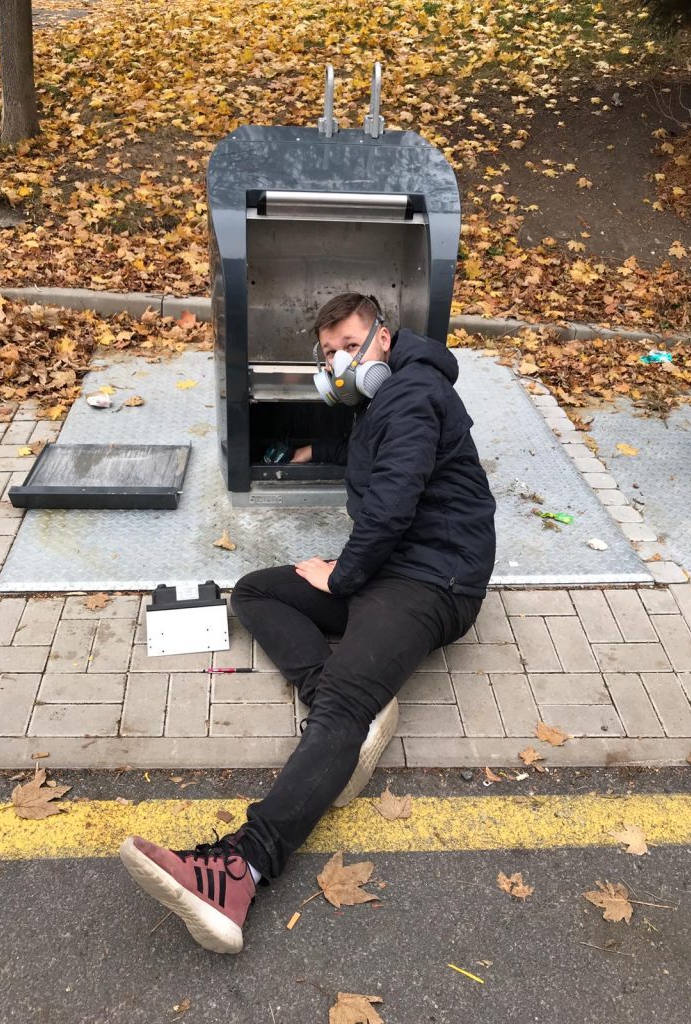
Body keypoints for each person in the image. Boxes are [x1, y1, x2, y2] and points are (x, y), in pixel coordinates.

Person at [119, 292, 497, 954]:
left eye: (350, 344)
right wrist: (337, 549)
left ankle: (240, 871)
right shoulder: (388, 398)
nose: (339, 360)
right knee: (258, 592)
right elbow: (381, 487)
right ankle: (336, 701)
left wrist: (345, 575)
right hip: (397, 567)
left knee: (345, 706)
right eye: (328, 352)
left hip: (433, 581)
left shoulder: (411, 395)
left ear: (383, 338)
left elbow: (391, 511)